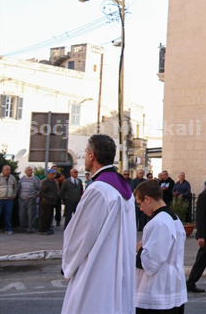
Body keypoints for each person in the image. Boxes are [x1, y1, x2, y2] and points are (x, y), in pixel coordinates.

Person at [61, 134, 136, 314]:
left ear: (92, 155)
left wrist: (68, 266)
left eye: (86, 152)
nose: (85, 156)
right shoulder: (123, 187)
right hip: (119, 265)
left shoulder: (98, 189)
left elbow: (80, 235)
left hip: (97, 269)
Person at [135, 181, 187, 314]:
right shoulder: (174, 219)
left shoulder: (158, 222)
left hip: (156, 292)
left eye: (139, 204)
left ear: (147, 199)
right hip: (172, 287)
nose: (140, 209)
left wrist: (138, 250)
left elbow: (151, 263)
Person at [18, 166, 40, 234]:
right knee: (22, 214)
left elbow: (39, 189)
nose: (30, 172)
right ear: (25, 172)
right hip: (22, 198)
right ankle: (23, 228)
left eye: (31, 170)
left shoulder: (35, 179)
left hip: (31, 198)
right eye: (28, 170)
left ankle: (30, 228)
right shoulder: (22, 179)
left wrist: (36, 195)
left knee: (31, 214)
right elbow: (19, 188)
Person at [0, 165, 18, 234]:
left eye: (9, 169)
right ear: (2, 170)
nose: (8, 171)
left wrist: (14, 195)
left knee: (8, 214)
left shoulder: (12, 177)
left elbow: (15, 187)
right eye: (6, 169)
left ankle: (8, 229)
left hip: (9, 200)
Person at [38, 169, 58, 235]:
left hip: (52, 202)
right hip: (46, 202)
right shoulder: (45, 182)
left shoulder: (54, 182)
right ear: (48, 174)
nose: (53, 175)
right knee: (45, 216)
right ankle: (43, 229)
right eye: (51, 174)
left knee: (50, 216)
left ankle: (48, 229)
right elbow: (41, 192)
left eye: (54, 174)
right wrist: (49, 196)